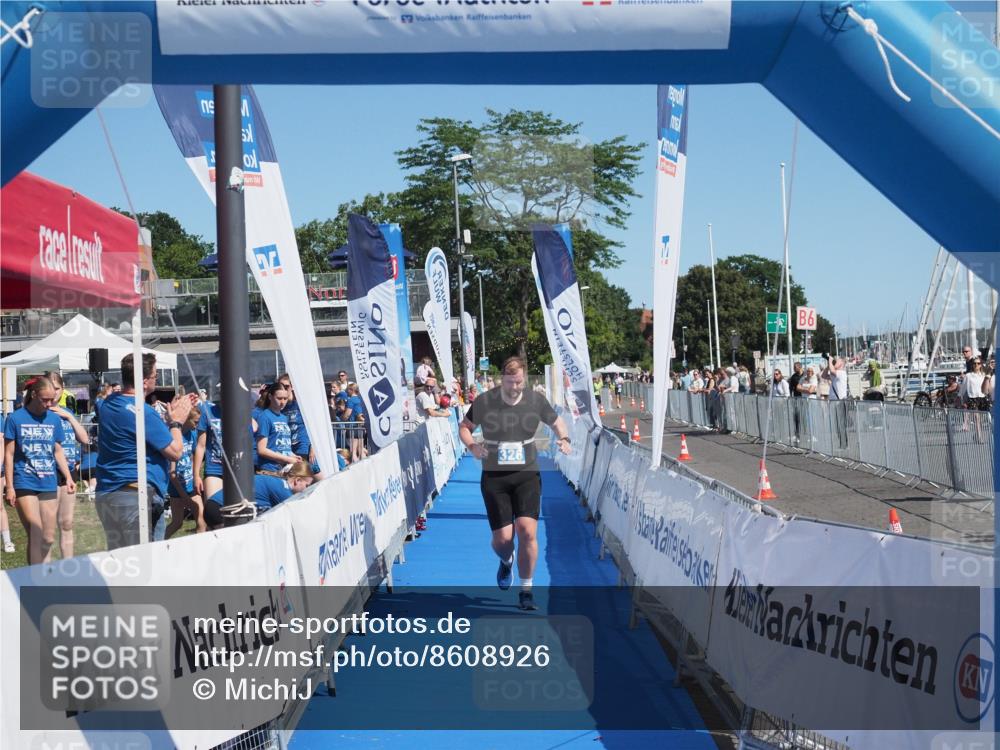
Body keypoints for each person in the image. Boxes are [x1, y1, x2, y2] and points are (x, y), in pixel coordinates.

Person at [459, 356, 572, 611]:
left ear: (524, 378)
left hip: (527, 472)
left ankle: (526, 590)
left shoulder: (535, 400)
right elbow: (464, 427)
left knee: (528, 531)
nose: (514, 387)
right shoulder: (486, 401)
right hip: (495, 476)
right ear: (502, 380)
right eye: (510, 382)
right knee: (503, 540)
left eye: (519, 382)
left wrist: (564, 438)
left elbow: (556, 422)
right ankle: (506, 559)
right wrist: (473, 445)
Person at [95, 354, 195, 550]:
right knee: (145, 564)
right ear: (143, 381)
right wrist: (176, 421)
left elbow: (138, 433)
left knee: (122, 563)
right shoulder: (143, 412)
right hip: (135, 497)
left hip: (109, 494)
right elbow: (175, 452)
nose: (156, 380)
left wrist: (167, 420)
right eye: (155, 376)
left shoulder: (109, 403)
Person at [4, 377, 75, 564]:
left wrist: (68, 476)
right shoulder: (15, 418)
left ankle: (43, 576)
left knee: (48, 537)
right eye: (45, 399)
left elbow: (58, 450)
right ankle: (36, 584)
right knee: (36, 530)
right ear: (34, 395)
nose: (49, 404)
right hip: (24, 480)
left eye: (52, 399)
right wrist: (10, 486)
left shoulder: (53, 419)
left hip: (48, 481)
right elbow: (9, 454)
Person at [46, 371, 91, 559]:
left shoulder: (68, 413)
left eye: (57, 389)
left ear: (62, 390)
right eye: (50, 388)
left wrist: (69, 417)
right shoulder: (41, 414)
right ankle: (45, 572)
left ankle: (68, 565)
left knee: (67, 523)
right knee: (47, 529)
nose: (54, 393)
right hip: (48, 472)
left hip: (69, 473)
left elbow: (85, 439)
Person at [165, 405, 205, 538]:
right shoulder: (175, 436)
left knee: (201, 519)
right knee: (177, 523)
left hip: (190, 483)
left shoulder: (192, 434)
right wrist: (185, 497)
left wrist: (196, 477)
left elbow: (193, 458)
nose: (198, 425)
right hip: (177, 488)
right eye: (196, 421)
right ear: (186, 419)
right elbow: (172, 474)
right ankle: (157, 542)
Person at [255, 382, 299, 473]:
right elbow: (262, 449)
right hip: (270, 469)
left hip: (283, 468)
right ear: (270, 397)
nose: (282, 402)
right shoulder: (265, 417)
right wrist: (287, 459)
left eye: (285, 398)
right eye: (279, 398)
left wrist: (292, 455)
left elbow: (282, 446)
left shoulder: (283, 417)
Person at [278, 374, 314, 468]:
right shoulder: (280, 404)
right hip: (287, 447)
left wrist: (313, 448)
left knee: (300, 474)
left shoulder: (301, 403)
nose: (284, 389)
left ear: (292, 387)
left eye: (286, 386)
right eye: (280, 386)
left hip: (302, 445)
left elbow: (314, 426)